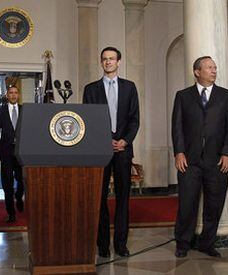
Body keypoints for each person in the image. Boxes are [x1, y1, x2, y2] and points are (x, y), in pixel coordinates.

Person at [172, 56, 228, 258]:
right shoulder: (183, 96)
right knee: (187, 204)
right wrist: (179, 152)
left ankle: (207, 243)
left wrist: (227, 153)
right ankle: (183, 243)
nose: (214, 70)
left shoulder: (226, 96)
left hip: (217, 161)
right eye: (209, 67)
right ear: (197, 72)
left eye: (215, 67)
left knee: (214, 204)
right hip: (189, 161)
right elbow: (177, 127)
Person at [83, 46, 139, 258]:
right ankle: (103, 245)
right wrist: (105, 140)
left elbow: (135, 119)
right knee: (100, 198)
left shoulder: (130, 87)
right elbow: (88, 120)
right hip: (100, 150)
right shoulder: (91, 89)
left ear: (119, 62)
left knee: (123, 198)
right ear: (101, 62)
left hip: (124, 150)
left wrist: (124, 140)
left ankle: (121, 244)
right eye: (105, 59)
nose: (108, 62)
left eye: (112, 59)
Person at [0, 86, 24, 223]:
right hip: (5, 152)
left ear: (18, 95)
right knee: (7, 184)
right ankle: (11, 213)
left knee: (22, 181)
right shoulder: (0, 112)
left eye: (16, 93)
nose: (13, 95)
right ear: (7, 95)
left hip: (21, 153)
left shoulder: (25, 110)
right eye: (11, 93)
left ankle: (19, 195)